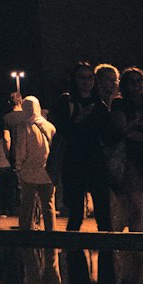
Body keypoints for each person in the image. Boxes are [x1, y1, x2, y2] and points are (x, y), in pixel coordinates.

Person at [49, 62, 110, 231]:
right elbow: (61, 130)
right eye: (82, 78)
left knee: (103, 210)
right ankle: (74, 253)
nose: (87, 82)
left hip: (96, 160)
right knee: (75, 212)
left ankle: (106, 251)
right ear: (74, 80)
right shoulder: (66, 101)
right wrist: (79, 118)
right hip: (74, 160)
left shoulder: (99, 104)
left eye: (90, 78)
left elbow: (107, 134)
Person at [108, 67, 143, 231]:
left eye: (139, 81)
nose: (136, 85)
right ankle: (136, 251)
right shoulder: (119, 103)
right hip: (130, 158)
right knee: (136, 209)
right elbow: (122, 129)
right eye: (131, 82)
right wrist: (133, 128)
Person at [15, 96, 56, 234]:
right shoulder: (50, 126)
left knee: (27, 206)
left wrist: (18, 166)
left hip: (29, 174)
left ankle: (26, 234)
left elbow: (21, 151)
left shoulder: (24, 127)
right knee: (49, 206)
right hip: (48, 174)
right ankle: (51, 233)